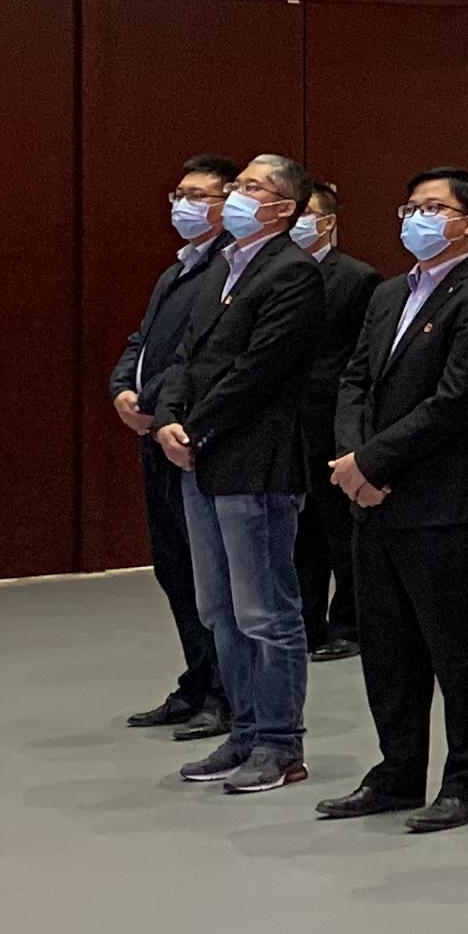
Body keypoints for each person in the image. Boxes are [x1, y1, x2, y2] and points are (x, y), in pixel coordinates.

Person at [316, 169, 468, 831]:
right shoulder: (388, 294)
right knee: (387, 646)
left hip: (437, 502)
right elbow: (354, 381)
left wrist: (373, 462)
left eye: (434, 207)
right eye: (412, 207)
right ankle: (397, 772)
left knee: (456, 650)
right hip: (371, 499)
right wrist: (353, 461)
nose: (418, 218)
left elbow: (454, 403)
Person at [154, 155, 332, 795]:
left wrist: (195, 430)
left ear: (283, 208)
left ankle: (280, 743)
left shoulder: (293, 273)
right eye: (238, 185)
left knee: (265, 611)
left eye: (253, 187)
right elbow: (187, 356)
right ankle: (244, 729)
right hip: (203, 461)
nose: (237, 194)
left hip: (255, 464)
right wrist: (167, 419)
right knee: (219, 608)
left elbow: (258, 371)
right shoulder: (222, 267)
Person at [108, 154, 239, 737]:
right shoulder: (178, 270)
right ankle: (197, 679)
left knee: (207, 573)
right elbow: (143, 340)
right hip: (154, 434)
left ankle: (224, 691)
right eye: (178, 195)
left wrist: (155, 402)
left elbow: (201, 353)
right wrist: (121, 389)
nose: (182, 206)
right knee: (173, 568)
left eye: (197, 196)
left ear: (228, 203)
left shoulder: (228, 270)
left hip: (188, 433)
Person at [290, 181, 379, 664]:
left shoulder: (357, 278)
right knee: (301, 533)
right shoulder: (281, 273)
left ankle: (351, 622)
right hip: (288, 423)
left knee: (340, 529)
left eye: (306, 214)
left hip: (332, 419)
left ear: (326, 222)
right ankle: (307, 623)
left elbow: (359, 360)